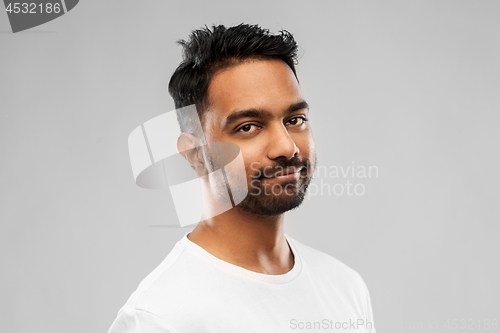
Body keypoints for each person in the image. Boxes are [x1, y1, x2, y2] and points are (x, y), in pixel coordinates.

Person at [108, 23, 376, 333]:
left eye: (295, 120)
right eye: (248, 126)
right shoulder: (160, 317)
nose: (286, 146)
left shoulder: (345, 287)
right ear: (196, 155)